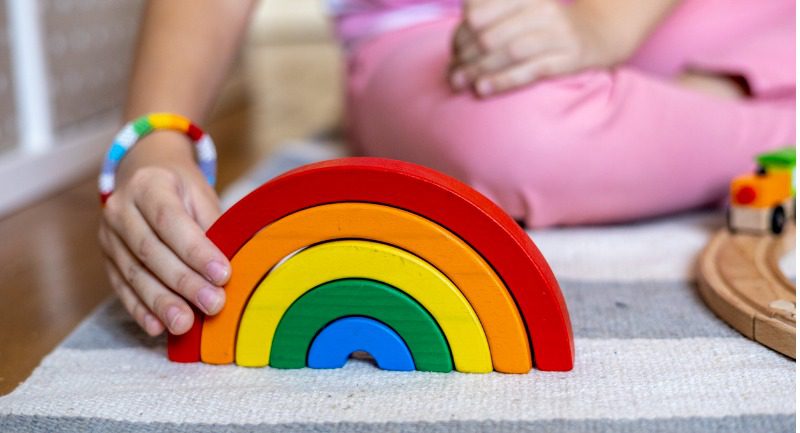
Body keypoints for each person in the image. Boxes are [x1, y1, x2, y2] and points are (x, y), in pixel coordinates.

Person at [98, 0, 795, 337]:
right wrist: (156, 141)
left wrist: (603, 25)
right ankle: (749, 104)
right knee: (522, 141)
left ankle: (705, 103)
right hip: (443, 36)